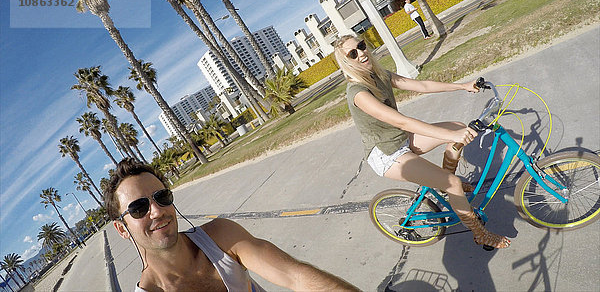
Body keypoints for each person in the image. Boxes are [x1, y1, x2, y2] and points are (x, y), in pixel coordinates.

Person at [334, 35, 510, 249]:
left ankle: (446, 185)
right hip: (386, 154)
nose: (361, 53)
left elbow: (422, 86)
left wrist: (463, 86)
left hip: (399, 139)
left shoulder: (378, 75)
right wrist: (450, 137)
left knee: (456, 126)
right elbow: (402, 121)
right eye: (353, 53)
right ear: (346, 62)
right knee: (453, 179)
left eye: (361, 46)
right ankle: (479, 233)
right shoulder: (358, 93)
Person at [104, 158, 358, 291]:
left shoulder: (221, 237)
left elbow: (295, 276)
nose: (157, 211)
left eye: (162, 197)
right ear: (122, 228)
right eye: (138, 209)